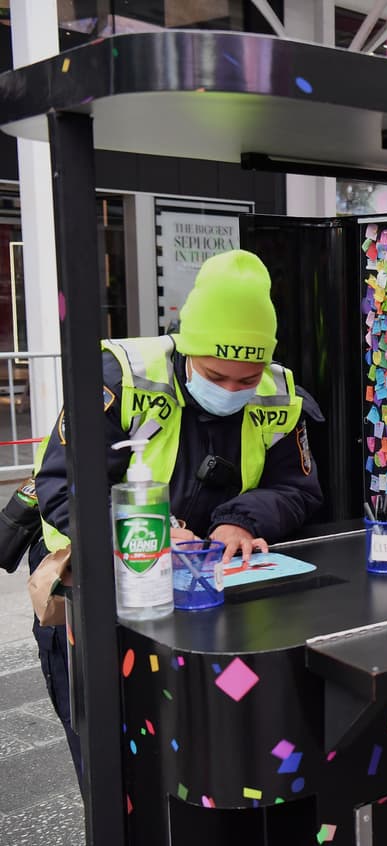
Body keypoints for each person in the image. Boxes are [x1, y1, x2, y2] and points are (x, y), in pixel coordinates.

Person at [28, 249, 324, 786]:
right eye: (216, 375)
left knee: (202, 757)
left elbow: (298, 488)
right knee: (111, 762)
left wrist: (241, 519)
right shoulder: (120, 378)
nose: (232, 391)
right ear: (186, 349)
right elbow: (60, 486)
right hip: (99, 590)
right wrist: (145, 528)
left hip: (208, 595)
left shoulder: (279, 395)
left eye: (247, 378)